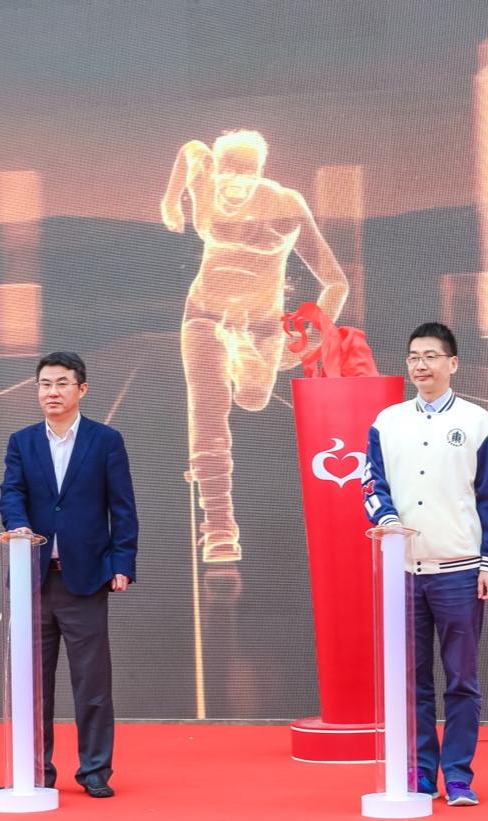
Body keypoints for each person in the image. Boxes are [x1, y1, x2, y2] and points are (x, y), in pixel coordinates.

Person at [161, 129, 348, 563]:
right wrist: (171, 201)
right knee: (208, 409)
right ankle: (220, 527)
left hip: (262, 325)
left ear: (259, 174)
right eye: (226, 178)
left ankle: (243, 350)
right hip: (206, 315)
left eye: (243, 179)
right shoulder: (204, 183)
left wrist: (307, 343)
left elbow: (336, 282)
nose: (232, 190)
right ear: (218, 171)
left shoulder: (286, 204)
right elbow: (191, 149)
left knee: (252, 398)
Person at [362, 322, 488, 806]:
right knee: (412, 680)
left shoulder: (478, 423)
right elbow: (372, 484)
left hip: (460, 572)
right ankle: (421, 773)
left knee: (462, 680)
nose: (420, 365)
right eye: (413, 357)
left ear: (453, 363)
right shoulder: (387, 422)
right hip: (403, 572)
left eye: (430, 356)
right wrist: (386, 519)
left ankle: (459, 776)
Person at [0, 351, 138, 798]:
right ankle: (36, 770)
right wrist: (18, 526)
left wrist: (122, 563)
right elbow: (11, 493)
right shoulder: (22, 442)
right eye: (45, 384)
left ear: (82, 389)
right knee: (32, 685)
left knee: (92, 684)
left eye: (61, 383)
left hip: (86, 579)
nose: (52, 392)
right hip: (33, 580)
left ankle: (95, 770)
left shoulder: (105, 440)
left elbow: (122, 507)